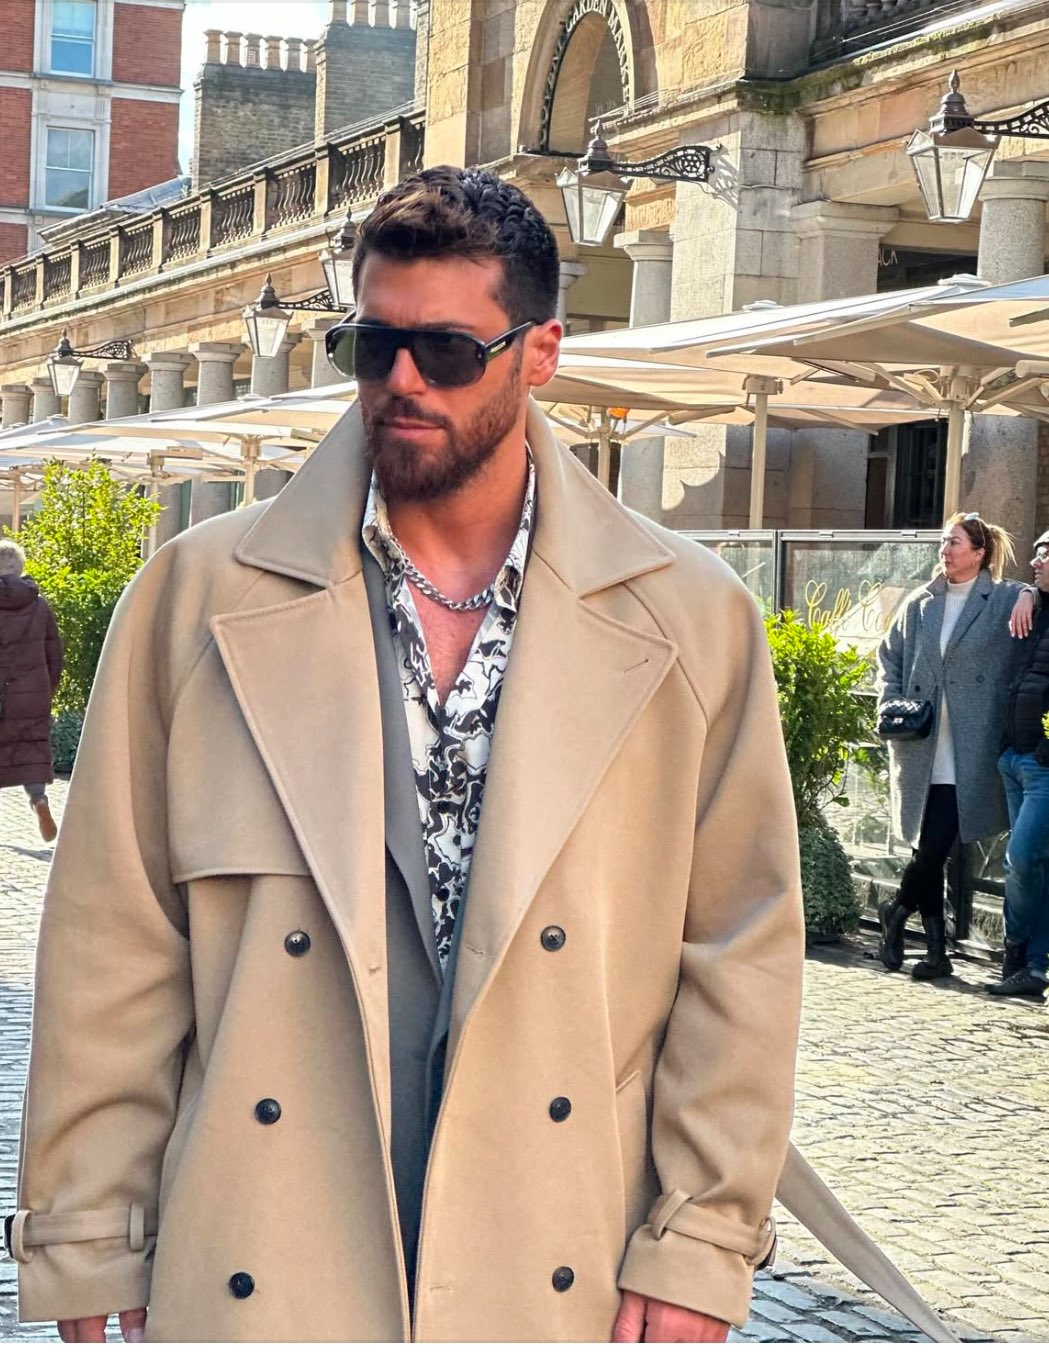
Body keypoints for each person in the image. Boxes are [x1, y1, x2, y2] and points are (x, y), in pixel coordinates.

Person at [9, 168, 804, 1342]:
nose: (401, 382)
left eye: (446, 351)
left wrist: (699, 1240)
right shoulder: (194, 603)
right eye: (372, 346)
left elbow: (740, 950)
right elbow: (113, 942)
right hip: (261, 1242)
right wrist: (87, 1232)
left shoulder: (690, 619)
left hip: (556, 1245)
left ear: (539, 353)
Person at [876, 513, 1030, 981]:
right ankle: (936, 952)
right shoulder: (921, 602)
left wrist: (1029, 594)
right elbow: (889, 658)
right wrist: (890, 701)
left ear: (979, 554)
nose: (944, 550)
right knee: (930, 848)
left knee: (933, 846)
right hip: (920, 744)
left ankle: (896, 912)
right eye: (943, 542)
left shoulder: (1002, 599)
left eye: (955, 543)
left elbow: (1036, 597)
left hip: (969, 746)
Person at [987, 528, 1049, 1001]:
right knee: (1035, 864)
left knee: (1022, 859)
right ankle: (1032, 965)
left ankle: (1018, 947)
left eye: (1045, 555)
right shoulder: (1035, 606)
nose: (1035, 562)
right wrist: (1030, 592)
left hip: (1043, 764)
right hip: (1013, 756)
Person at [0, 540, 63, 844]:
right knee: (30, 752)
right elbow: (55, 654)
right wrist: (46, 690)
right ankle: (39, 800)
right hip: (32, 695)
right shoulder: (39, 605)